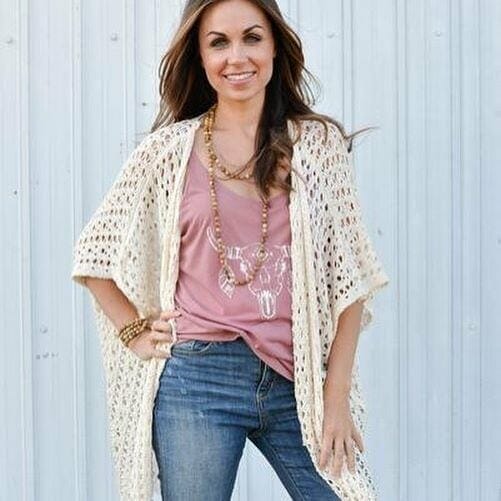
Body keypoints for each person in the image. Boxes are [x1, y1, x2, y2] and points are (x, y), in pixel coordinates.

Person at [71, 0, 390, 500]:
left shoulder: (318, 146)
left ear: (275, 47)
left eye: (252, 37)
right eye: (218, 42)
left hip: (298, 380)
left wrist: (336, 396)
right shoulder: (167, 152)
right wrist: (134, 331)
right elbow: (94, 256)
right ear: (200, 57)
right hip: (198, 379)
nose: (237, 57)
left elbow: (350, 281)